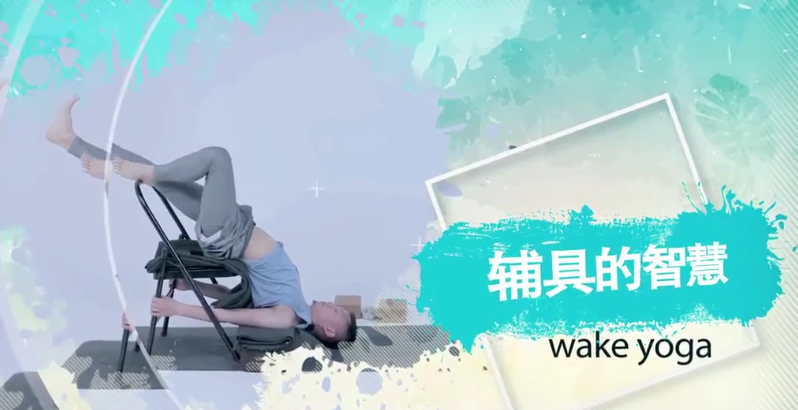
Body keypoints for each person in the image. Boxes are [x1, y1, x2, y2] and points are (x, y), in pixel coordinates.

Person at [46, 95, 357, 345]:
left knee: (216, 157)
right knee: (157, 175)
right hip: (234, 225)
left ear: (329, 330)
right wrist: (192, 285)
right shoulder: (297, 305)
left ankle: (129, 170)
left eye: (337, 312)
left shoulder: (286, 318)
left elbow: (230, 316)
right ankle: (68, 140)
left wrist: (179, 308)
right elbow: (237, 299)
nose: (333, 304)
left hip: (228, 235)